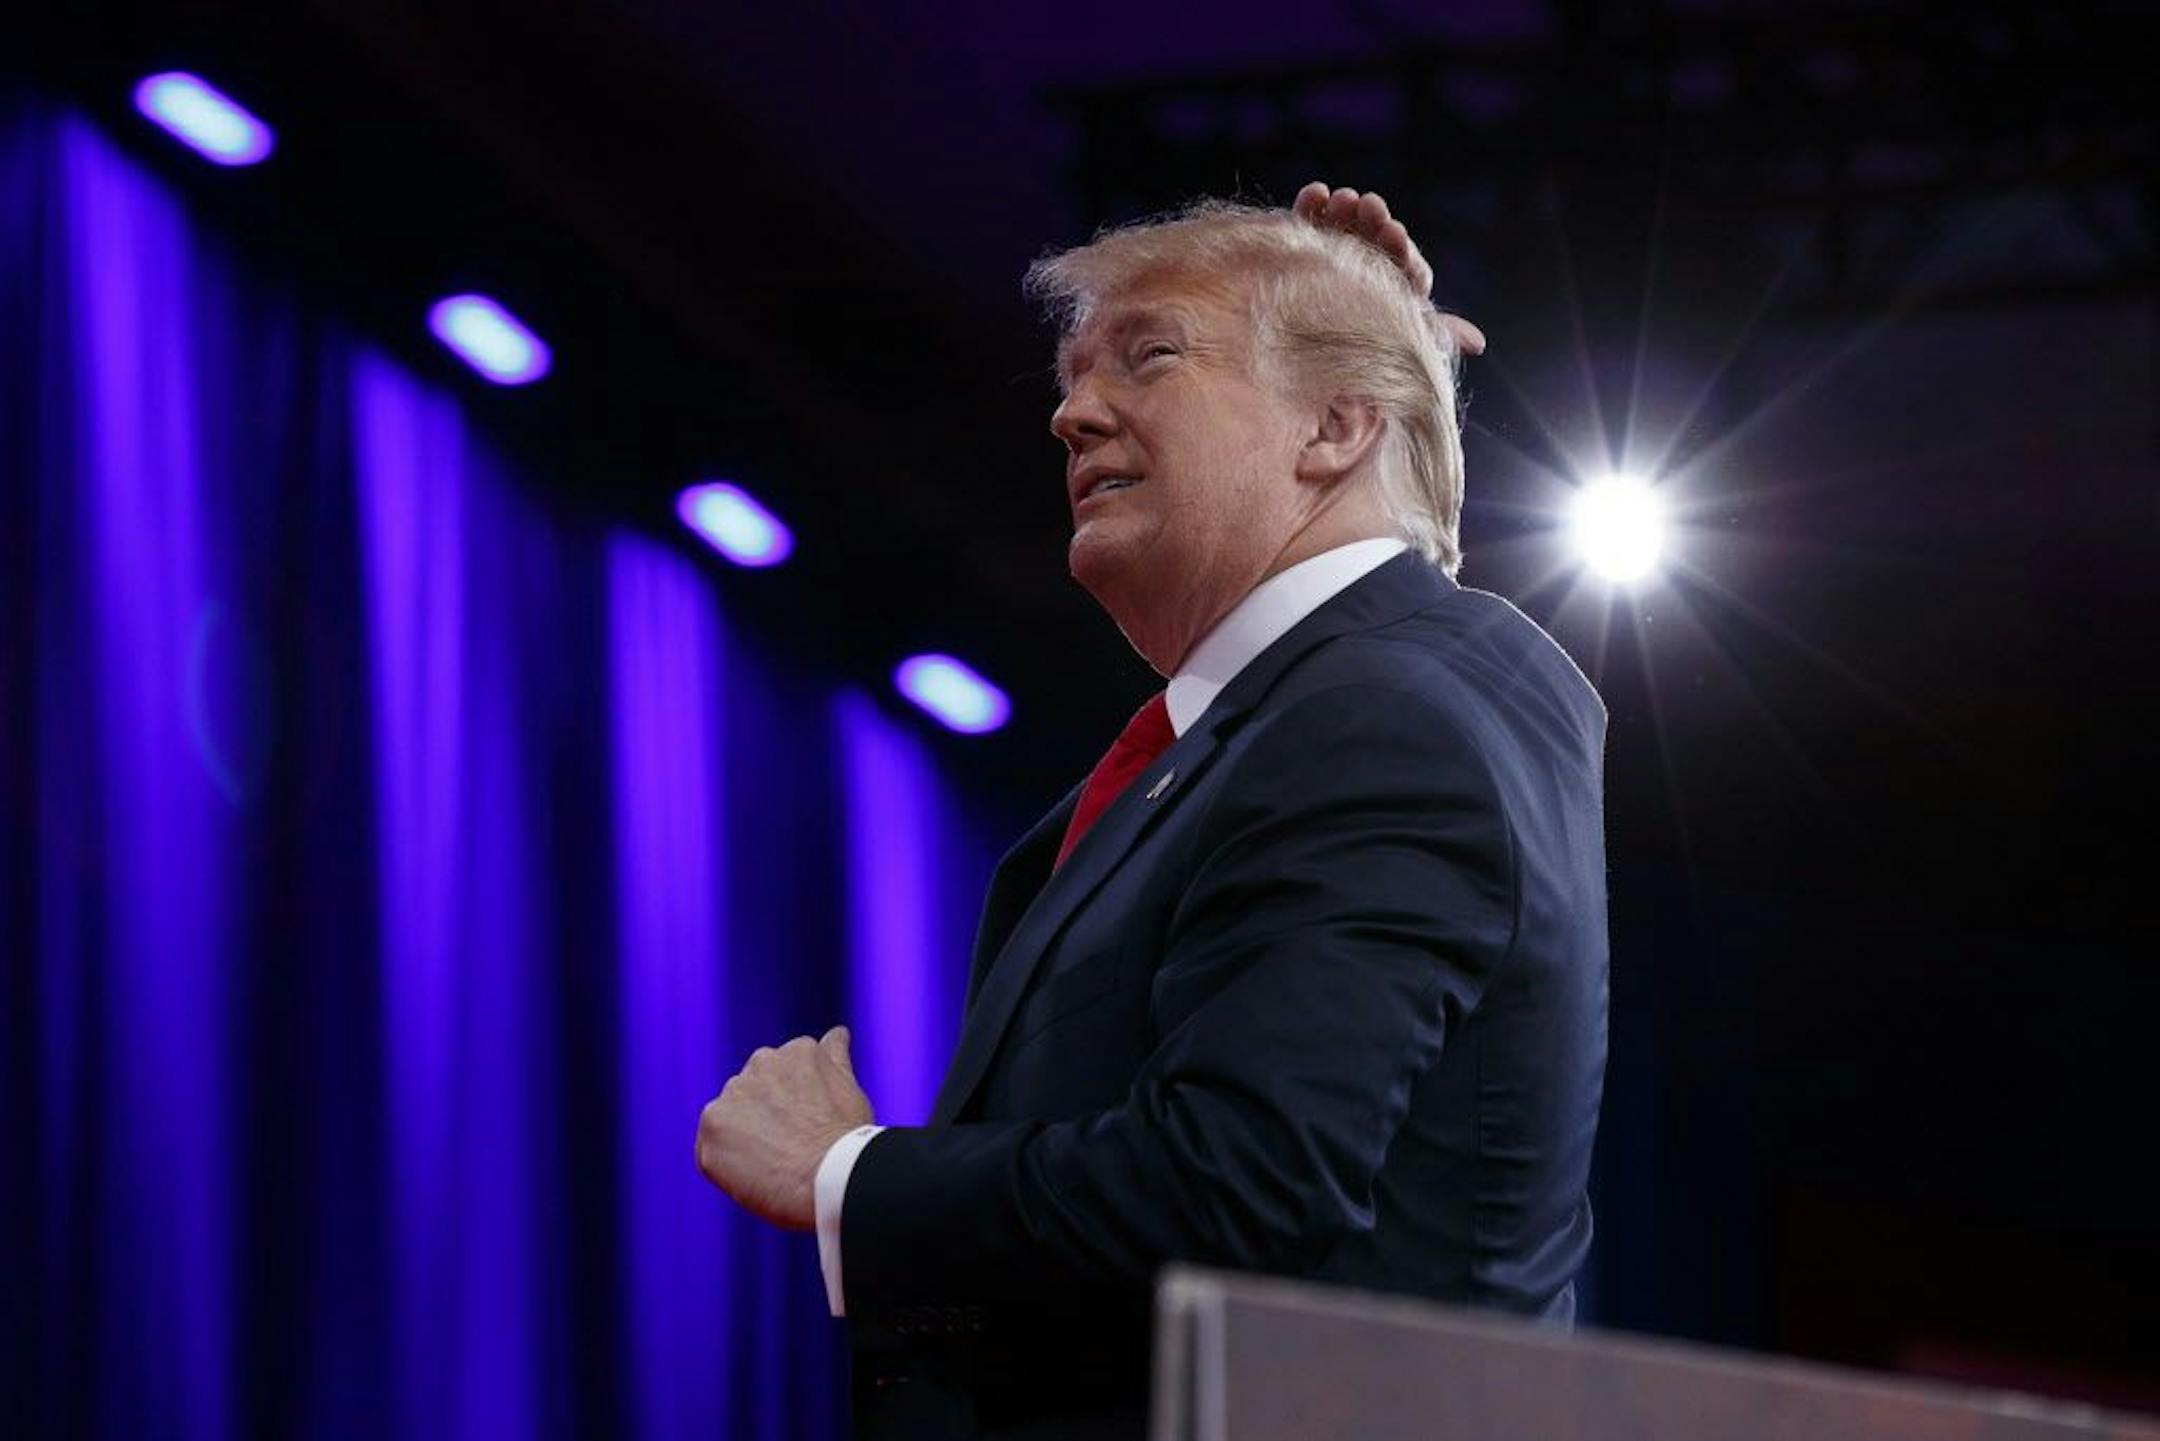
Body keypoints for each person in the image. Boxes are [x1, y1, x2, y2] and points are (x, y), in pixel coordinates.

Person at [697, 183, 1608, 1440]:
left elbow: (1242, 1182)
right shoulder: (1350, 707)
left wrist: (847, 1171)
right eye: (1074, 378)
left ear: (1332, 426)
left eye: (1150, 357)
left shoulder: (1376, 716)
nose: (1071, 414)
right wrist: (1392, 391)